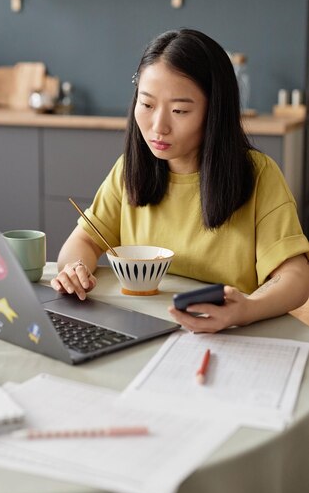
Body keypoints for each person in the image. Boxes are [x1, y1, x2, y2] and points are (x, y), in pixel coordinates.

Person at [51, 28, 309, 333]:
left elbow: (295, 276)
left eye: (179, 110)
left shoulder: (258, 174)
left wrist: (246, 309)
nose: (158, 126)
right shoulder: (129, 170)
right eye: (146, 105)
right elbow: (83, 241)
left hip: (228, 336)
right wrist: (74, 269)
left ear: (215, 110)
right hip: (141, 330)